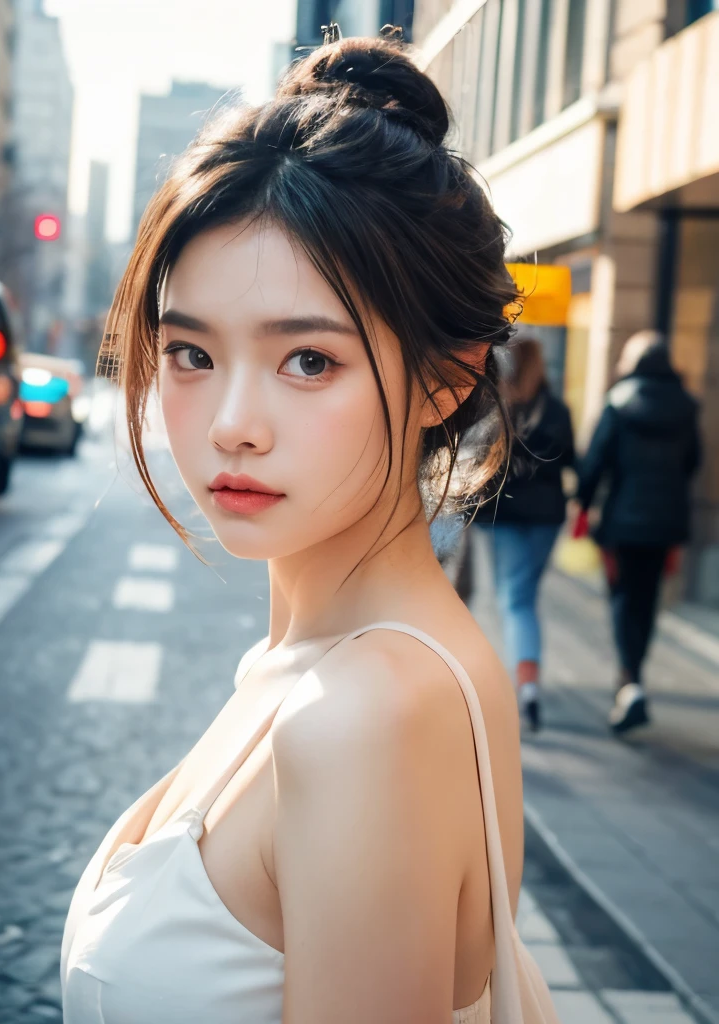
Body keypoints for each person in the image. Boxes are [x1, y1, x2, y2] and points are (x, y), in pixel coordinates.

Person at [61, 29, 558, 1024]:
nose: (233, 424)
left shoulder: (368, 710)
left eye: (308, 362)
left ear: (445, 377)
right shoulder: (329, 663)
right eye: (192, 352)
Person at [576, 330, 701, 734]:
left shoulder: (618, 401)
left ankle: (629, 681)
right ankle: (633, 678)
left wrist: (583, 500)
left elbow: (595, 460)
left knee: (622, 597)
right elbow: (693, 461)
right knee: (646, 600)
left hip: (623, 520)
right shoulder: (686, 407)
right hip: (666, 520)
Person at [475, 340, 574, 731]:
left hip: (507, 514)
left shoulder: (497, 408)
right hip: (548, 517)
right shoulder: (558, 410)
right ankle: (528, 682)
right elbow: (572, 460)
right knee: (524, 594)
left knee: (514, 599)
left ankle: (527, 686)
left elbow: (481, 463)